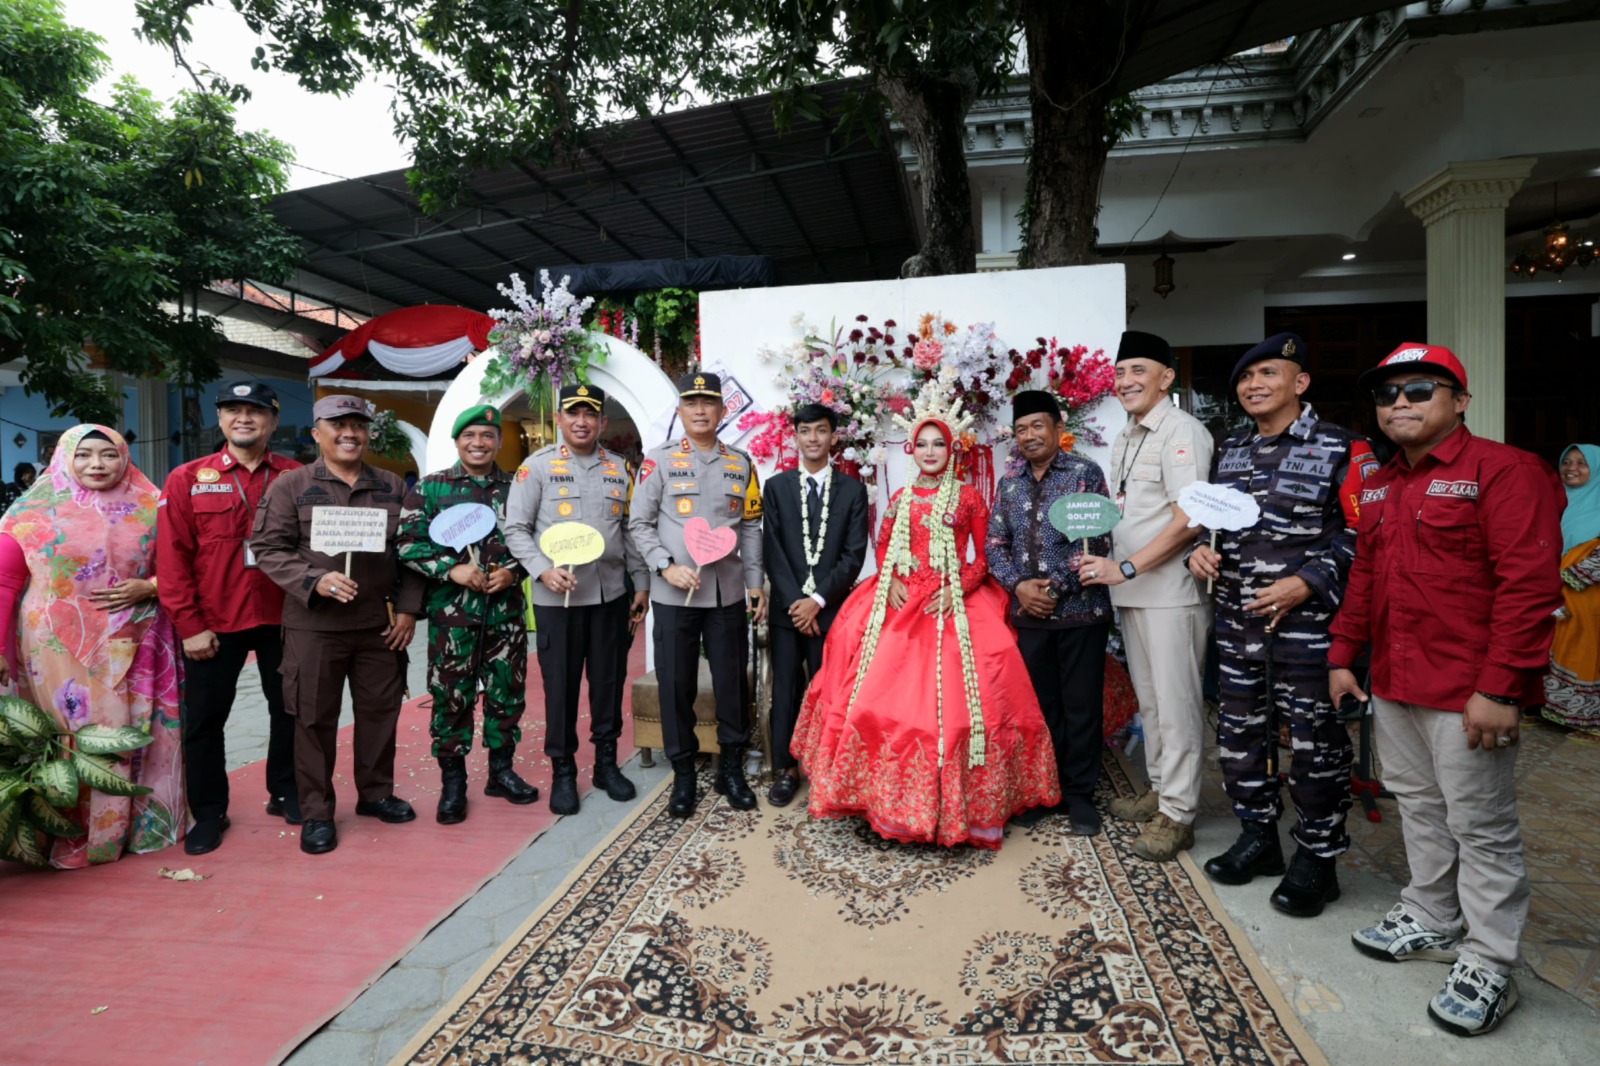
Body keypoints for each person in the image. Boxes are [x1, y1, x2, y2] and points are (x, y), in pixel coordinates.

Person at [1329, 343, 1563, 1037]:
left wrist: (1501, 688)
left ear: (1459, 401)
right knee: (1420, 809)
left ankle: (1490, 960)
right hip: (1397, 681)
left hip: (1468, 692)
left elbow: (1529, 588)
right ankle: (1431, 914)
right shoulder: (1387, 485)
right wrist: (1344, 654)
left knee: (1482, 828)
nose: (1399, 403)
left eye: (1420, 390)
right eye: (1388, 394)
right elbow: (1366, 578)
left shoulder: (1506, 471)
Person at [793, 380, 1059, 849]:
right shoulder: (900, 498)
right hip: (903, 598)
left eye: (939, 443)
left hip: (955, 599)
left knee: (978, 686)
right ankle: (885, 800)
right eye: (922, 444)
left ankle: (966, 807)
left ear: (952, 448)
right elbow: (884, 543)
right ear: (911, 450)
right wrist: (892, 578)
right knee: (865, 673)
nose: (930, 451)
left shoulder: (970, 497)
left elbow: (984, 554)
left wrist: (960, 588)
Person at [1186, 333, 1376, 917]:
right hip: (1239, 624)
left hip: (1308, 627)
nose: (1254, 385)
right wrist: (1200, 550)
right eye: (1245, 377)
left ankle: (1318, 859)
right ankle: (1259, 838)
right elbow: (1213, 522)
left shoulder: (1346, 448)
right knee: (1241, 738)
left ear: (1301, 383)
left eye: (1268, 373)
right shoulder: (1231, 449)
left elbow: (1365, 532)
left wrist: (1309, 581)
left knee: (1315, 745)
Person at [0, 425, 184, 867]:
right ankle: (67, 831)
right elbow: (5, 582)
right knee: (66, 734)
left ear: (125, 458)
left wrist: (151, 586)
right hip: (53, 646)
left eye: (108, 455)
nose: (97, 465)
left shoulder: (152, 505)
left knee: (133, 730)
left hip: (137, 641)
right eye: (84, 455)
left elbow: (184, 565)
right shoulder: (30, 512)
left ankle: (131, 827)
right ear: (63, 457)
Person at [252, 394, 425, 855]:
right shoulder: (291, 486)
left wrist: (409, 610)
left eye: (358, 425)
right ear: (316, 433)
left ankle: (376, 793)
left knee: (380, 714)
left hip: (378, 625)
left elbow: (412, 553)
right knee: (312, 719)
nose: (349, 433)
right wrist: (315, 579)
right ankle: (316, 812)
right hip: (315, 626)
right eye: (337, 424)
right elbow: (268, 548)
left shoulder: (391, 486)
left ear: (368, 433)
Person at [1077, 332, 1213, 860]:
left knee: (1177, 706)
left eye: (1139, 370)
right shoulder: (1127, 435)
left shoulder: (1183, 432)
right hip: (1131, 592)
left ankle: (1179, 814)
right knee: (1152, 704)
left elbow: (1189, 518)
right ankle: (1160, 788)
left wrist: (1127, 565)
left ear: (1166, 378)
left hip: (1171, 594)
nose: (1126, 382)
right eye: (1120, 373)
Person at [158, 382, 303, 856]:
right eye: (234, 410)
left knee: (290, 710)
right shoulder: (186, 479)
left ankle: (285, 791)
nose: (245, 418)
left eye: (256, 411)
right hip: (215, 620)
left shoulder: (297, 475)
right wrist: (189, 626)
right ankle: (210, 810)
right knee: (205, 721)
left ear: (273, 421)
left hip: (286, 616)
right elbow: (172, 561)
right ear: (219, 420)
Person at [504, 384, 648, 817]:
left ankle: (605, 765)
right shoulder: (537, 468)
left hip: (610, 596)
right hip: (558, 599)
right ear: (561, 420)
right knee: (561, 689)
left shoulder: (621, 468)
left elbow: (629, 529)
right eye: (574, 414)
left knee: (608, 684)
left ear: (602, 421)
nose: (582, 421)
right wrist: (541, 570)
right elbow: (516, 529)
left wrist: (641, 583)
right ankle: (563, 772)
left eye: (590, 414)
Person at [631, 371, 766, 817]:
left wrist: (754, 584)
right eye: (692, 403)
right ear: (680, 411)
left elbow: (749, 526)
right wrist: (665, 568)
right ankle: (684, 773)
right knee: (675, 686)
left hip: (726, 594)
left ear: (723, 411)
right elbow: (639, 525)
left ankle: (730, 768)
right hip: (675, 597)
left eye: (709, 403)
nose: (701, 410)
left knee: (731, 684)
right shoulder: (659, 460)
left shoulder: (741, 463)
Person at [398, 403, 538, 825]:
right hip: (453, 617)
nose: (479, 443)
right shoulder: (431, 489)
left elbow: (538, 540)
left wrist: (513, 574)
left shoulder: (519, 488)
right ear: (457, 441)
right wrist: (451, 569)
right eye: (470, 436)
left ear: (498, 441)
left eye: (488, 436)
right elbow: (407, 543)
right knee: (451, 697)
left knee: (506, 694)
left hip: (506, 615)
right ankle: (453, 782)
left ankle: (501, 771)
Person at [987, 389, 1113, 837]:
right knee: (1041, 708)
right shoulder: (1010, 483)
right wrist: (1020, 587)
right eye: (1021, 429)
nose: (1029, 436)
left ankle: (1080, 796)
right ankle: (1047, 791)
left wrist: (1053, 588)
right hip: (1028, 615)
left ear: (1059, 429)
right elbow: (994, 546)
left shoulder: (1085, 474)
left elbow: (1096, 542)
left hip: (1081, 611)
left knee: (1081, 705)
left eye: (1037, 426)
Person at [761, 403, 870, 807]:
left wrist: (817, 601)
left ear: (833, 438)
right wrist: (797, 604)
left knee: (831, 691)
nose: (812, 438)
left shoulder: (853, 491)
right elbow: (772, 550)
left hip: (831, 613)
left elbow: (853, 555)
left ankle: (827, 769)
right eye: (805, 431)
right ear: (796, 436)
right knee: (786, 689)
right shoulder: (776, 487)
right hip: (789, 613)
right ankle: (787, 770)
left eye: (821, 431)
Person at [1543, 443, 1600, 736]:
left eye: (1582, 463)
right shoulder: (1554, 500)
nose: (1572, 468)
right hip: (1554, 590)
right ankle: (1554, 710)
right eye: (1567, 461)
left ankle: (1589, 719)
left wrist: (1570, 575)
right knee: (1553, 643)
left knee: (1584, 647)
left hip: (1588, 594)